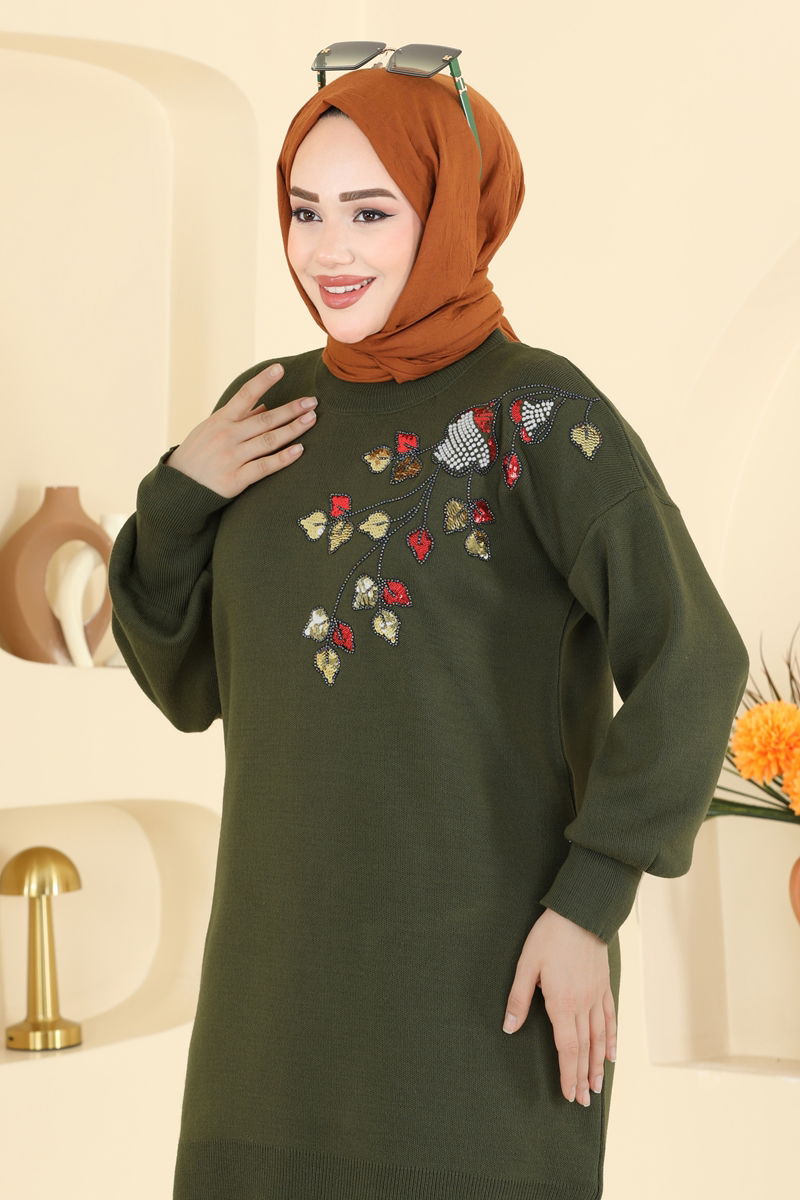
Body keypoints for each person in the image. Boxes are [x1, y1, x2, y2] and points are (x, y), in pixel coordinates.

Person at [108, 48, 750, 1200]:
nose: (327, 250)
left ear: (451, 210)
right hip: (272, 998)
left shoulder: (535, 414)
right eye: (304, 210)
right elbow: (187, 684)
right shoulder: (264, 407)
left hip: (482, 991)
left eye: (369, 211)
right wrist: (179, 493)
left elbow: (692, 660)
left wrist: (587, 905)